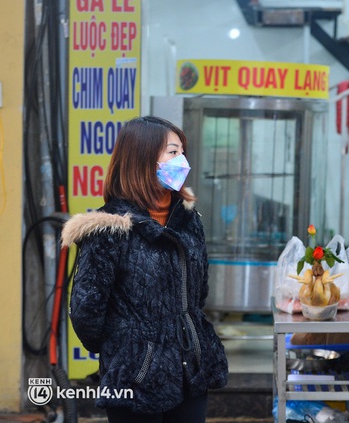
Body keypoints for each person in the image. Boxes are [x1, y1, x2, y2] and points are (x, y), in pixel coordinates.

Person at [62, 116, 228, 422]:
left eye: (182, 152)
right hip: (134, 377)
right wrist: (127, 347)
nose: (182, 161)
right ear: (142, 158)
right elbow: (86, 308)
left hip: (189, 371)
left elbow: (198, 292)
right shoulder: (109, 228)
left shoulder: (190, 222)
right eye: (173, 153)